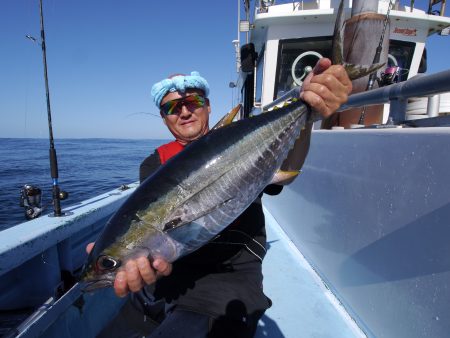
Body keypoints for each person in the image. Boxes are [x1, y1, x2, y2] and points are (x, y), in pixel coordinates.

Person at [91, 58, 352, 338]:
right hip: (165, 283)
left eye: (192, 101)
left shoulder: (245, 135)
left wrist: (308, 111)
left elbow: (285, 175)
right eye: (171, 107)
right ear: (164, 117)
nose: (184, 111)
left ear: (208, 106)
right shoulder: (154, 164)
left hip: (228, 278)